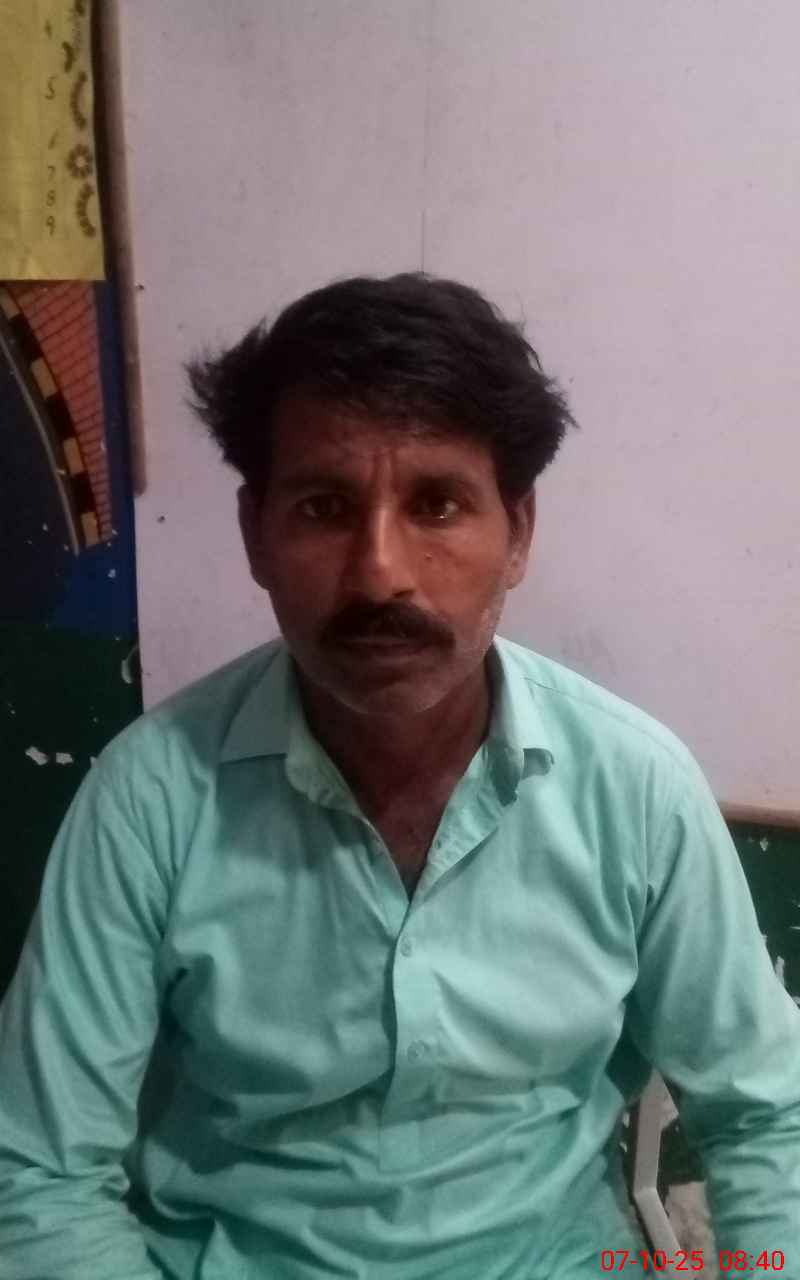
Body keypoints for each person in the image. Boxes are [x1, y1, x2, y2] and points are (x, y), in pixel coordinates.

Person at [0, 273, 798, 1280]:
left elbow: (768, 1112)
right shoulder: (148, 799)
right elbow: (38, 1173)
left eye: (437, 504)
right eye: (324, 506)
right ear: (255, 534)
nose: (380, 572)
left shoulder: (634, 790)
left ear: (517, 531)